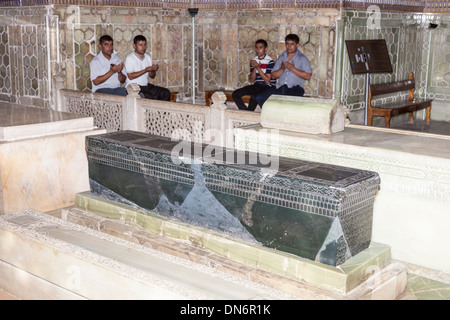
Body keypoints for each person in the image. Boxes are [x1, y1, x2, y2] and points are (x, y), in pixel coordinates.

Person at [255, 34, 312, 108]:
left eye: (292, 44)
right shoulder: (282, 57)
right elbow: (273, 76)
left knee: (287, 104)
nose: (289, 46)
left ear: (297, 45)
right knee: (260, 97)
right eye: (287, 44)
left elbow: (308, 76)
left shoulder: (302, 58)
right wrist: (282, 69)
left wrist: (292, 69)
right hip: (280, 87)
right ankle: (273, 116)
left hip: (295, 89)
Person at [231, 39, 276, 111]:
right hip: (257, 85)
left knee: (254, 97)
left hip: (267, 86)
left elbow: (267, 80)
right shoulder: (254, 60)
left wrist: (258, 68)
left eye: (260, 47)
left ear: (265, 49)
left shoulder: (270, 61)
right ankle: (246, 113)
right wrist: (255, 68)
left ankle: (247, 114)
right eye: (256, 47)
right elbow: (252, 80)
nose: (258, 50)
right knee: (235, 94)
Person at [124, 35, 171, 101]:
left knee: (166, 93)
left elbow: (152, 76)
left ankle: (162, 111)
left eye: (144, 45)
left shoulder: (148, 57)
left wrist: (153, 70)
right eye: (140, 45)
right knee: (149, 97)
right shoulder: (129, 58)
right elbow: (130, 76)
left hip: (145, 86)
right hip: (133, 87)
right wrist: (145, 70)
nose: (143, 47)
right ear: (134, 46)